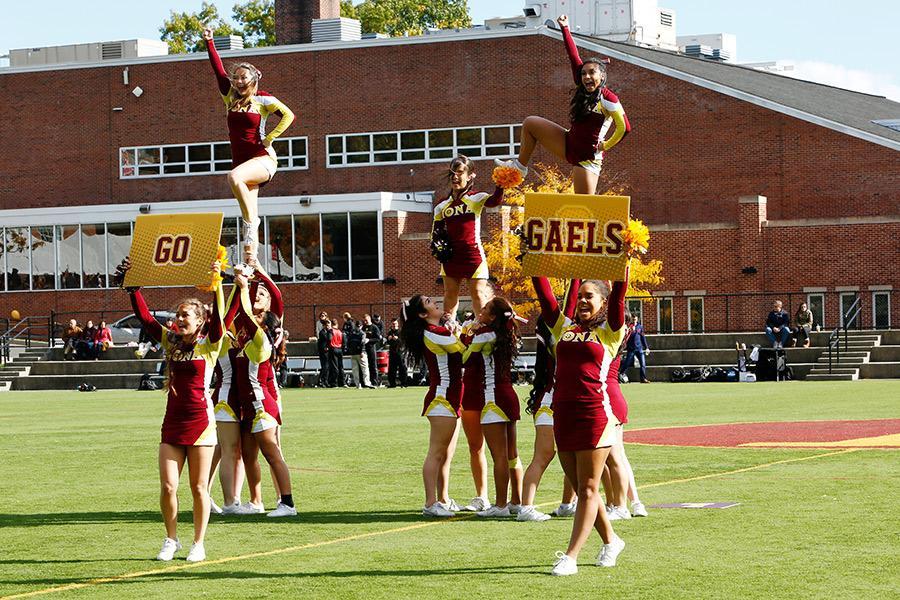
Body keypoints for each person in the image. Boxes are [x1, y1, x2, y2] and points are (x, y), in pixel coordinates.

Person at [117, 257, 225, 563]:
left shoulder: (210, 344)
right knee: (167, 486)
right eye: (178, 314)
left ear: (200, 320)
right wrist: (132, 289)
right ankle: (171, 539)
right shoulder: (171, 342)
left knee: (198, 488)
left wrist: (217, 284)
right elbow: (146, 318)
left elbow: (219, 320)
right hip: (173, 423)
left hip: (201, 424)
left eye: (185, 315)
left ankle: (198, 543)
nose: (178, 319)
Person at [532, 268, 630, 575]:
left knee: (587, 489)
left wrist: (622, 265)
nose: (584, 301)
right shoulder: (564, 328)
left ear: (602, 301)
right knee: (581, 486)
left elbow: (619, 297)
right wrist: (534, 262)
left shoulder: (610, 332)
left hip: (594, 414)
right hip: (564, 415)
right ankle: (612, 541)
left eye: (591, 296)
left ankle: (571, 556)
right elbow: (546, 298)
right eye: (582, 296)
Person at [495, 14, 630, 194]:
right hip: (568, 142)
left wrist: (606, 145)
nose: (587, 77)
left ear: (602, 76)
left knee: (585, 209)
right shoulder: (582, 87)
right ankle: (520, 167)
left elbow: (625, 127)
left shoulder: (608, 98)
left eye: (592, 73)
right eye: (583, 74)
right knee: (530, 123)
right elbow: (573, 56)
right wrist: (565, 28)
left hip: (587, 159)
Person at [202, 28, 295, 263]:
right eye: (237, 78)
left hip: (262, 159)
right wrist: (209, 42)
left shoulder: (263, 99)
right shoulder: (230, 99)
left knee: (234, 179)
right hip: (243, 163)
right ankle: (250, 260)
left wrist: (270, 137)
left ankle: (253, 224)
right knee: (249, 215)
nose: (239, 81)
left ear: (253, 79)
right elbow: (218, 70)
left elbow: (288, 116)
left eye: (244, 78)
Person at [225, 265, 296, 517]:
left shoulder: (260, 339)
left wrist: (243, 284)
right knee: (247, 454)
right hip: (247, 406)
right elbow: (238, 316)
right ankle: (256, 501)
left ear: (265, 323)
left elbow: (245, 313)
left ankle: (287, 503)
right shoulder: (246, 337)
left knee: (272, 453)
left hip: (262, 405)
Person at [518, 280, 580, 523]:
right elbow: (568, 304)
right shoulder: (559, 333)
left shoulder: (563, 333)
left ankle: (567, 503)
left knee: (573, 453)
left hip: (564, 401)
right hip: (550, 401)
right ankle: (526, 507)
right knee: (544, 455)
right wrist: (576, 275)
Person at [400, 295, 465, 518]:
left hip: (452, 399)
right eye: (428, 302)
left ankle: (444, 499)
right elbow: (463, 350)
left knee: (446, 454)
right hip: (442, 399)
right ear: (422, 314)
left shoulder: (438, 331)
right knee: (436, 453)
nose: (434, 302)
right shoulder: (435, 332)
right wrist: (464, 329)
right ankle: (430, 503)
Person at [461, 297, 524, 518]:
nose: (481, 310)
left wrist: (467, 333)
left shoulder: (485, 334)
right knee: (512, 455)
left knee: (498, 456)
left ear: (493, 316)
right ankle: (517, 501)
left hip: (493, 397)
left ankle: (499, 506)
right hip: (508, 394)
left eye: (486, 309)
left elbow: (465, 358)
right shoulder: (507, 333)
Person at [431, 155, 503, 322]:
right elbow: (436, 233)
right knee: (449, 294)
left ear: (471, 176)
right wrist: (438, 248)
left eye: (460, 172)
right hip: (451, 257)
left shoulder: (476, 198)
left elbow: (495, 201)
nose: (455, 176)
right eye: (452, 173)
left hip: (473, 255)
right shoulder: (442, 206)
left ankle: (483, 327)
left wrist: (500, 185)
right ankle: (449, 330)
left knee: (478, 293)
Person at [456, 316, 490, 513]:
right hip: (470, 390)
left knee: (505, 451)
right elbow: (460, 356)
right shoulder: (468, 327)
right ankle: (482, 496)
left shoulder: (502, 324)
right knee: (475, 446)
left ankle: (515, 499)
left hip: (494, 390)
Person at [345, 320, 373, 388]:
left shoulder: (351, 333)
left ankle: (358, 384)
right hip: (361, 353)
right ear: (361, 326)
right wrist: (362, 351)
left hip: (353, 353)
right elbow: (363, 342)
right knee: (365, 369)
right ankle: (367, 383)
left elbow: (348, 343)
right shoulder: (362, 333)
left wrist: (350, 351)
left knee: (355, 370)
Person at [622, 315, 650, 383]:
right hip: (631, 349)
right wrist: (630, 331)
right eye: (633, 319)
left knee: (643, 364)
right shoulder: (629, 326)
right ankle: (620, 374)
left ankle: (643, 378)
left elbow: (642, 337)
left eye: (635, 319)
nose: (634, 320)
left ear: (637, 319)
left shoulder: (640, 327)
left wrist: (646, 347)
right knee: (627, 363)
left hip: (639, 348)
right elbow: (626, 336)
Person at [385, 318, 408, 388]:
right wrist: (388, 339)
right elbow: (386, 342)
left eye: (395, 324)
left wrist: (397, 339)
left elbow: (404, 342)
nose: (394, 325)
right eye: (393, 324)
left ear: (397, 324)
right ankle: (392, 384)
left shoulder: (401, 332)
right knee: (392, 369)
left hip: (400, 352)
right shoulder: (390, 332)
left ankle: (403, 383)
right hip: (392, 352)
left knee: (402, 368)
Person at [363, 314, 383, 386]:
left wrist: (369, 340)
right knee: (365, 366)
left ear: (369, 319)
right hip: (364, 349)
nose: (365, 322)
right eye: (364, 320)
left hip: (371, 348)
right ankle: (365, 382)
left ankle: (374, 382)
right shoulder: (363, 327)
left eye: (366, 320)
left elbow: (377, 338)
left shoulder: (374, 327)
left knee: (373, 365)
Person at [316, 317, 333, 387]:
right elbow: (329, 339)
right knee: (325, 366)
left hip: (327, 351)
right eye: (327, 325)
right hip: (324, 352)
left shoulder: (327, 332)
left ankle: (324, 381)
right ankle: (323, 381)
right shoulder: (322, 332)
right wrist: (330, 331)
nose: (329, 327)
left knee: (326, 367)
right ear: (324, 326)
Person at [329, 321, 346, 387]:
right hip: (340, 349)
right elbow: (344, 341)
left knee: (334, 366)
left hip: (333, 348)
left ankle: (334, 383)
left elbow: (329, 339)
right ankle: (342, 382)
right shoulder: (340, 331)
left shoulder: (331, 331)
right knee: (341, 366)